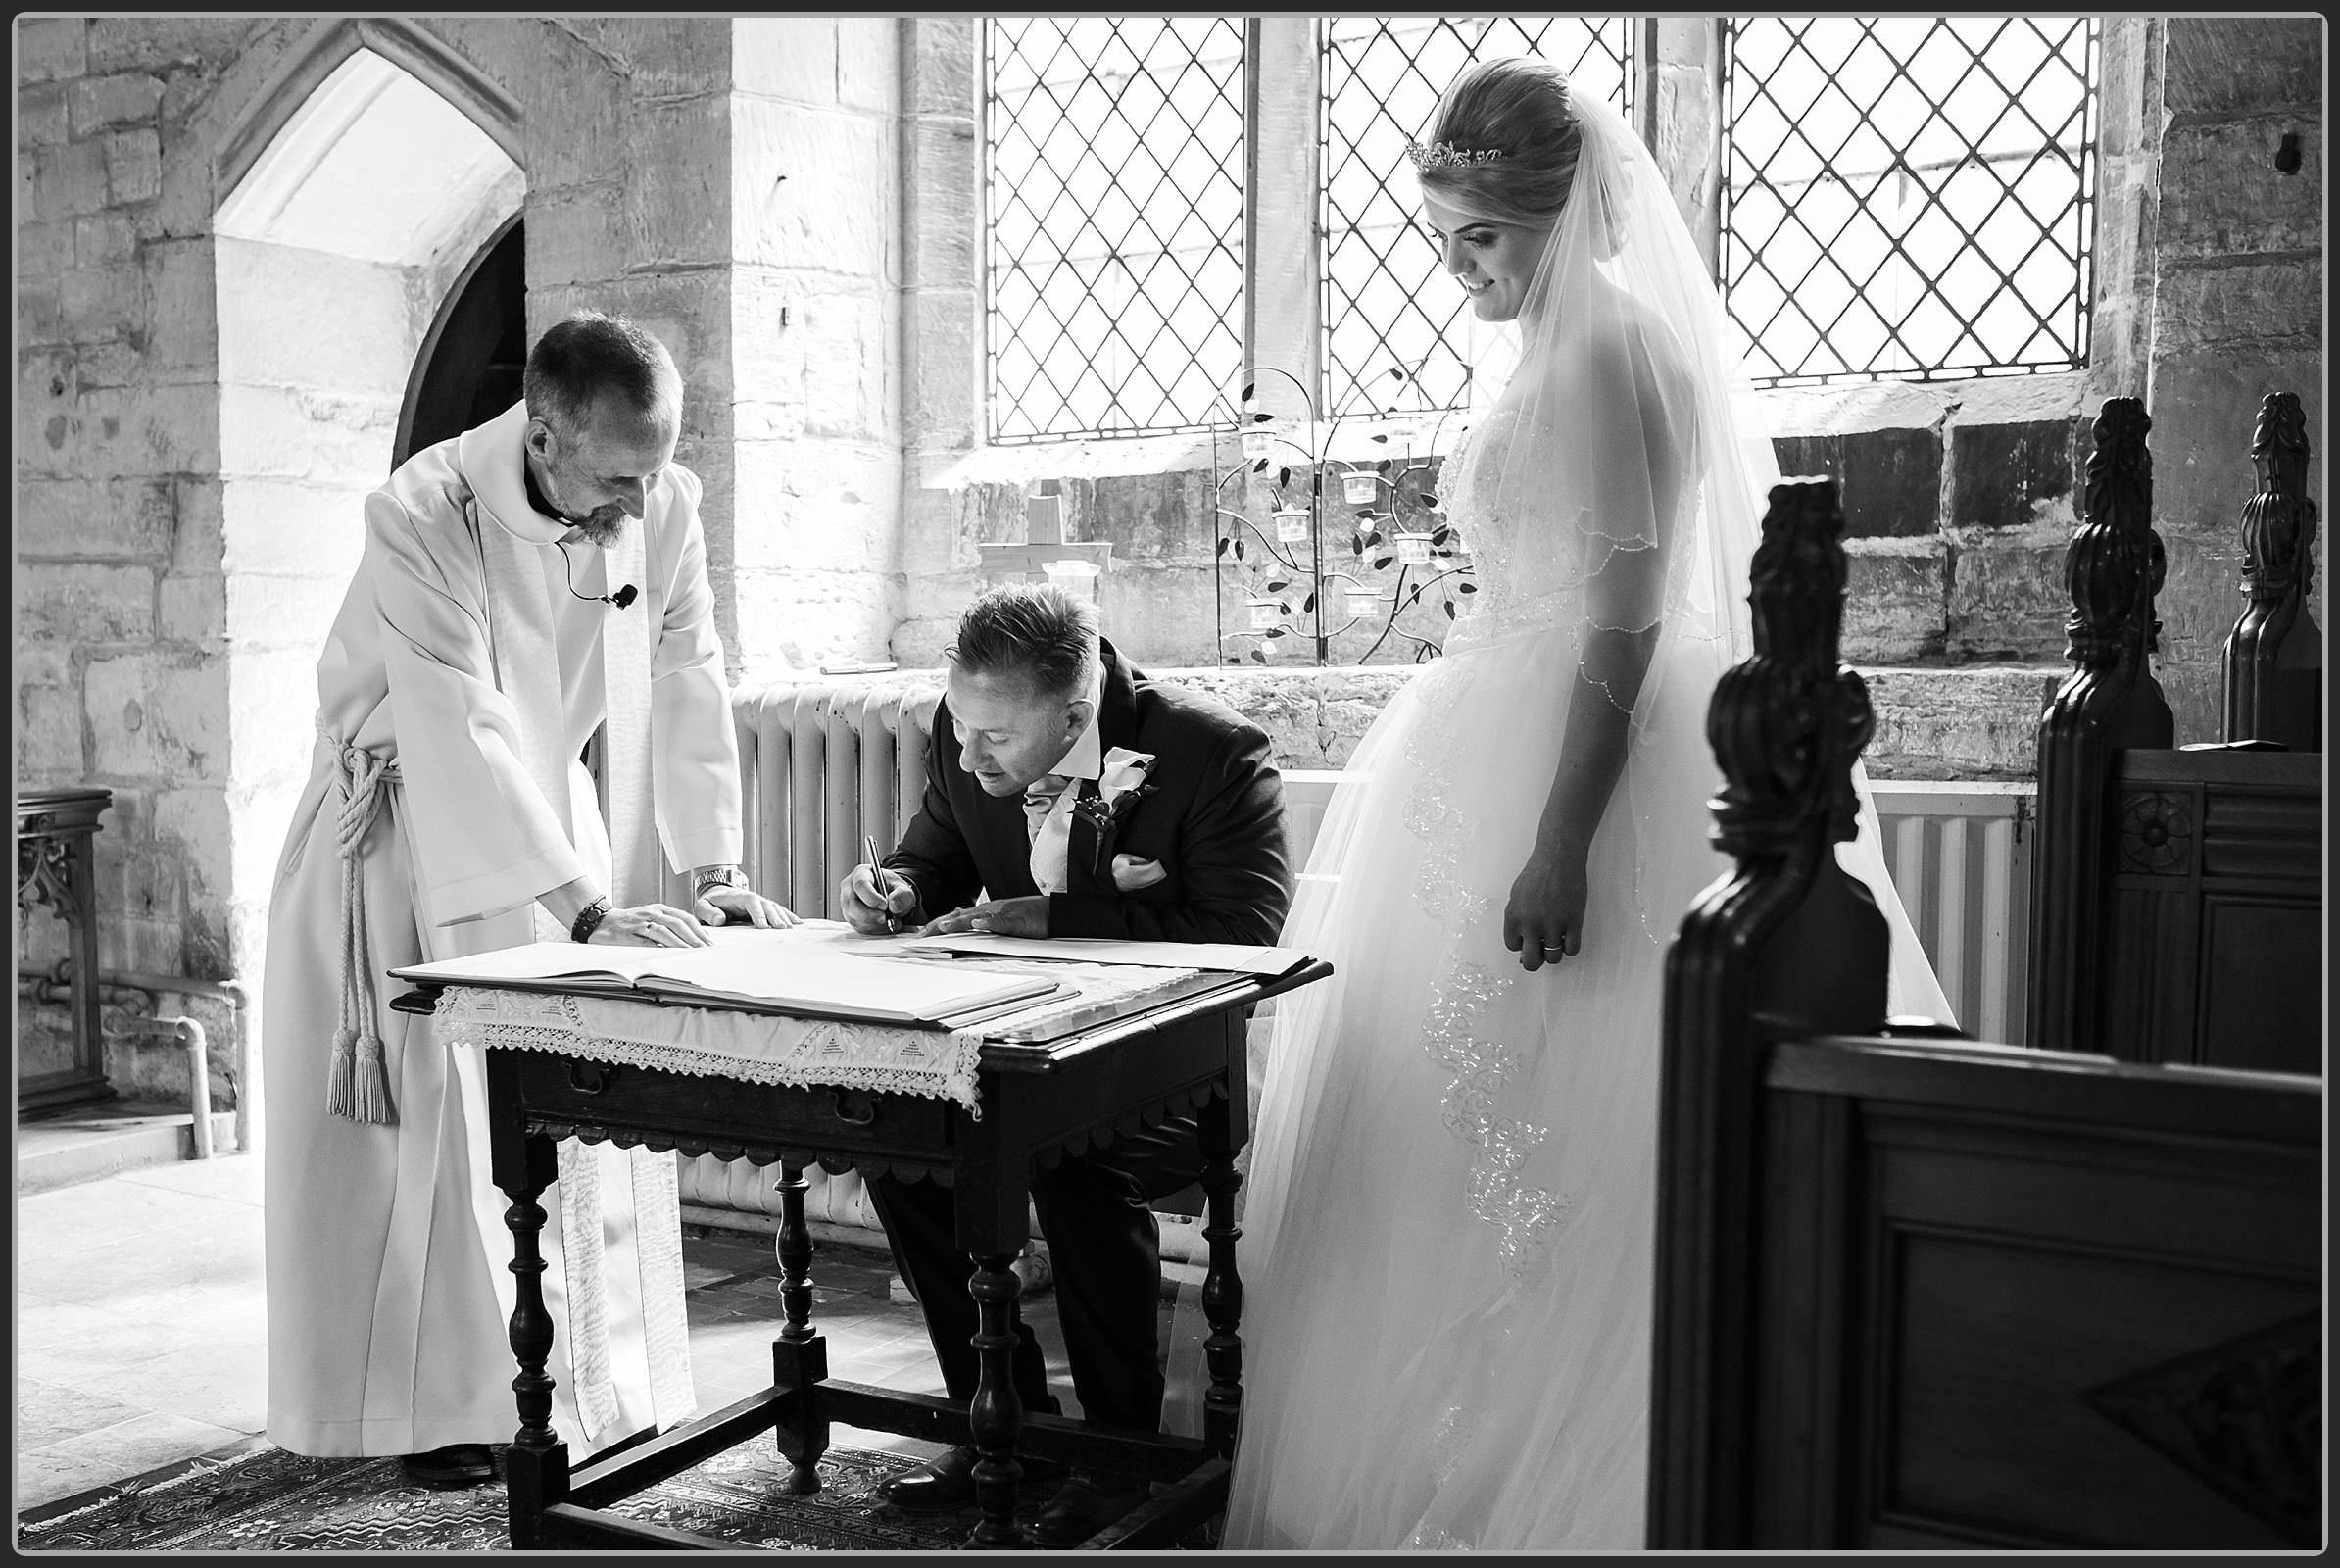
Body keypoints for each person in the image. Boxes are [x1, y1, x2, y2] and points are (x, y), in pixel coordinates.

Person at [1220, 59, 1955, 1550]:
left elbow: (1618, 628)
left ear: (1561, 217)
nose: (1458, 266)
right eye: (1447, 236)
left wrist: (1559, 845)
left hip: (1588, 770)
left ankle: (1568, 1492)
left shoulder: (1613, 354)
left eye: (1480, 238)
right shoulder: (1557, 357)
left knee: (1580, 1129)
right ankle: (1443, 1453)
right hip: (1495, 735)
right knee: (1460, 1129)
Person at [262, 310, 797, 1487]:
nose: (634, 505)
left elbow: (687, 666)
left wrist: (714, 869)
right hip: (405, 833)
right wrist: (584, 909)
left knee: (579, 1112)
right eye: (614, 477)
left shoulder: (661, 497)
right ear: (544, 434)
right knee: (432, 1137)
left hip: (546, 824)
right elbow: (458, 720)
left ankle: (595, 1384)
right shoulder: (422, 512)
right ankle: (434, 1409)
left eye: (650, 473)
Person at [837, 583, 1292, 1546]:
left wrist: (1059, 916)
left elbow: (1245, 936)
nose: (966, 754)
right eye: (960, 732)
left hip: (1171, 1066)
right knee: (900, 1147)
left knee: (1076, 1163)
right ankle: (998, 1416)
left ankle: (1119, 1454)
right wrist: (895, 889)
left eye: (993, 740)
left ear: (1077, 715)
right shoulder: (972, 728)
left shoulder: (1211, 753)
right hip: (1022, 1050)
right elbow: (935, 859)